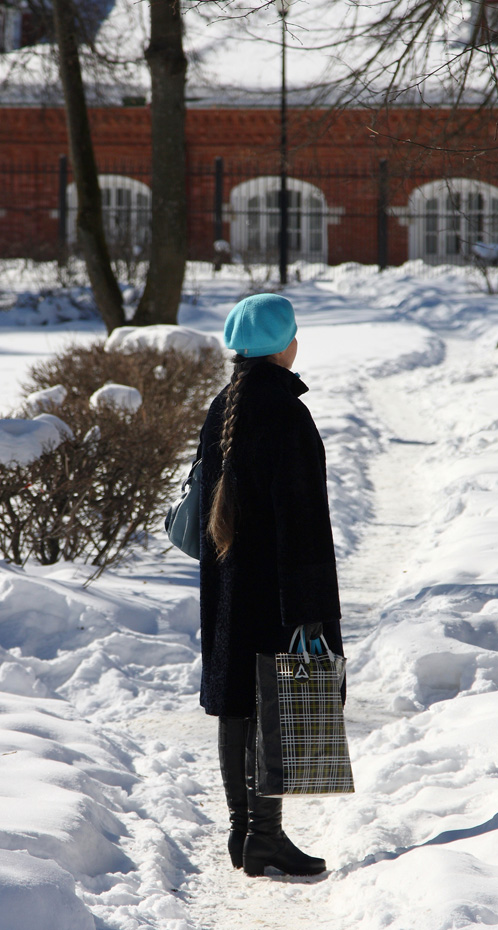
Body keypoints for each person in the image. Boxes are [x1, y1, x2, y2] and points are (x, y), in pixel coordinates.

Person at [197, 292, 344, 878]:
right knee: (279, 701)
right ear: (287, 346)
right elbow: (303, 519)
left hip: (230, 584)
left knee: (238, 702)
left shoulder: (223, 405)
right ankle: (265, 835)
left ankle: (245, 834)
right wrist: (311, 609)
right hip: (280, 584)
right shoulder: (286, 412)